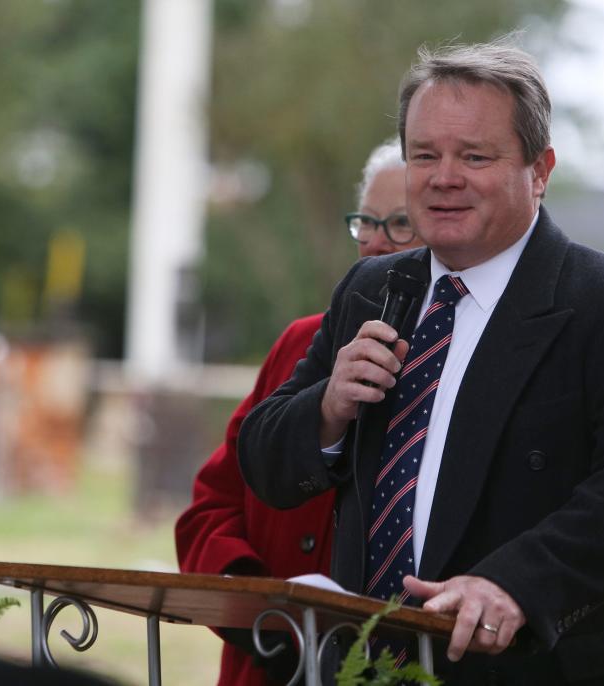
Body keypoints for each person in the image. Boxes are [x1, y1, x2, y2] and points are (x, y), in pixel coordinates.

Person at [238, 39, 604, 686]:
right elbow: (260, 462)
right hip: (363, 666)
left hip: (536, 666)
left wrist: (515, 586)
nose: (443, 176)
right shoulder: (371, 290)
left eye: (474, 156)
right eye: (424, 155)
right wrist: (327, 410)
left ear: (540, 170)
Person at [175, 139, 424, 686]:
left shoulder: (461, 363)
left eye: (402, 224)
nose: (377, 243)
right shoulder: (302, 343)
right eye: (367, 223)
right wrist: (265, 616)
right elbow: (211, 508)